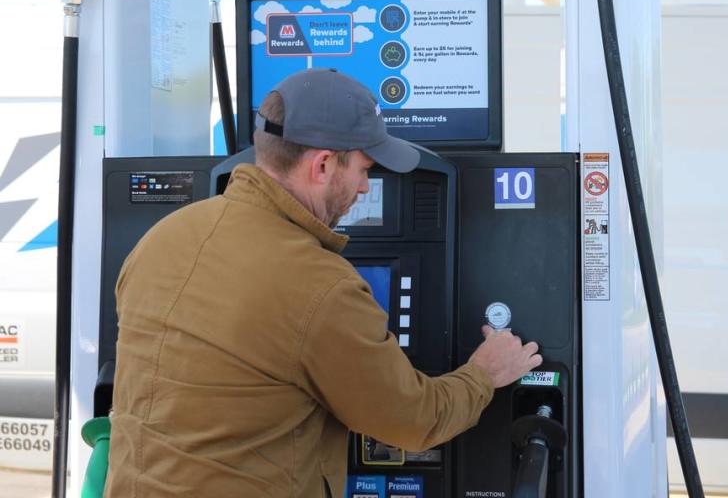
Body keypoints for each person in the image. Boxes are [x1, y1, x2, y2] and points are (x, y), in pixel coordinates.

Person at [104, 69, 542, 498]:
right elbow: (412, 421)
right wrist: (483, 374)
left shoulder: (161, 238)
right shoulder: (320, 284)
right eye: (364, 169)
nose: (366, 187)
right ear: (323, 164)